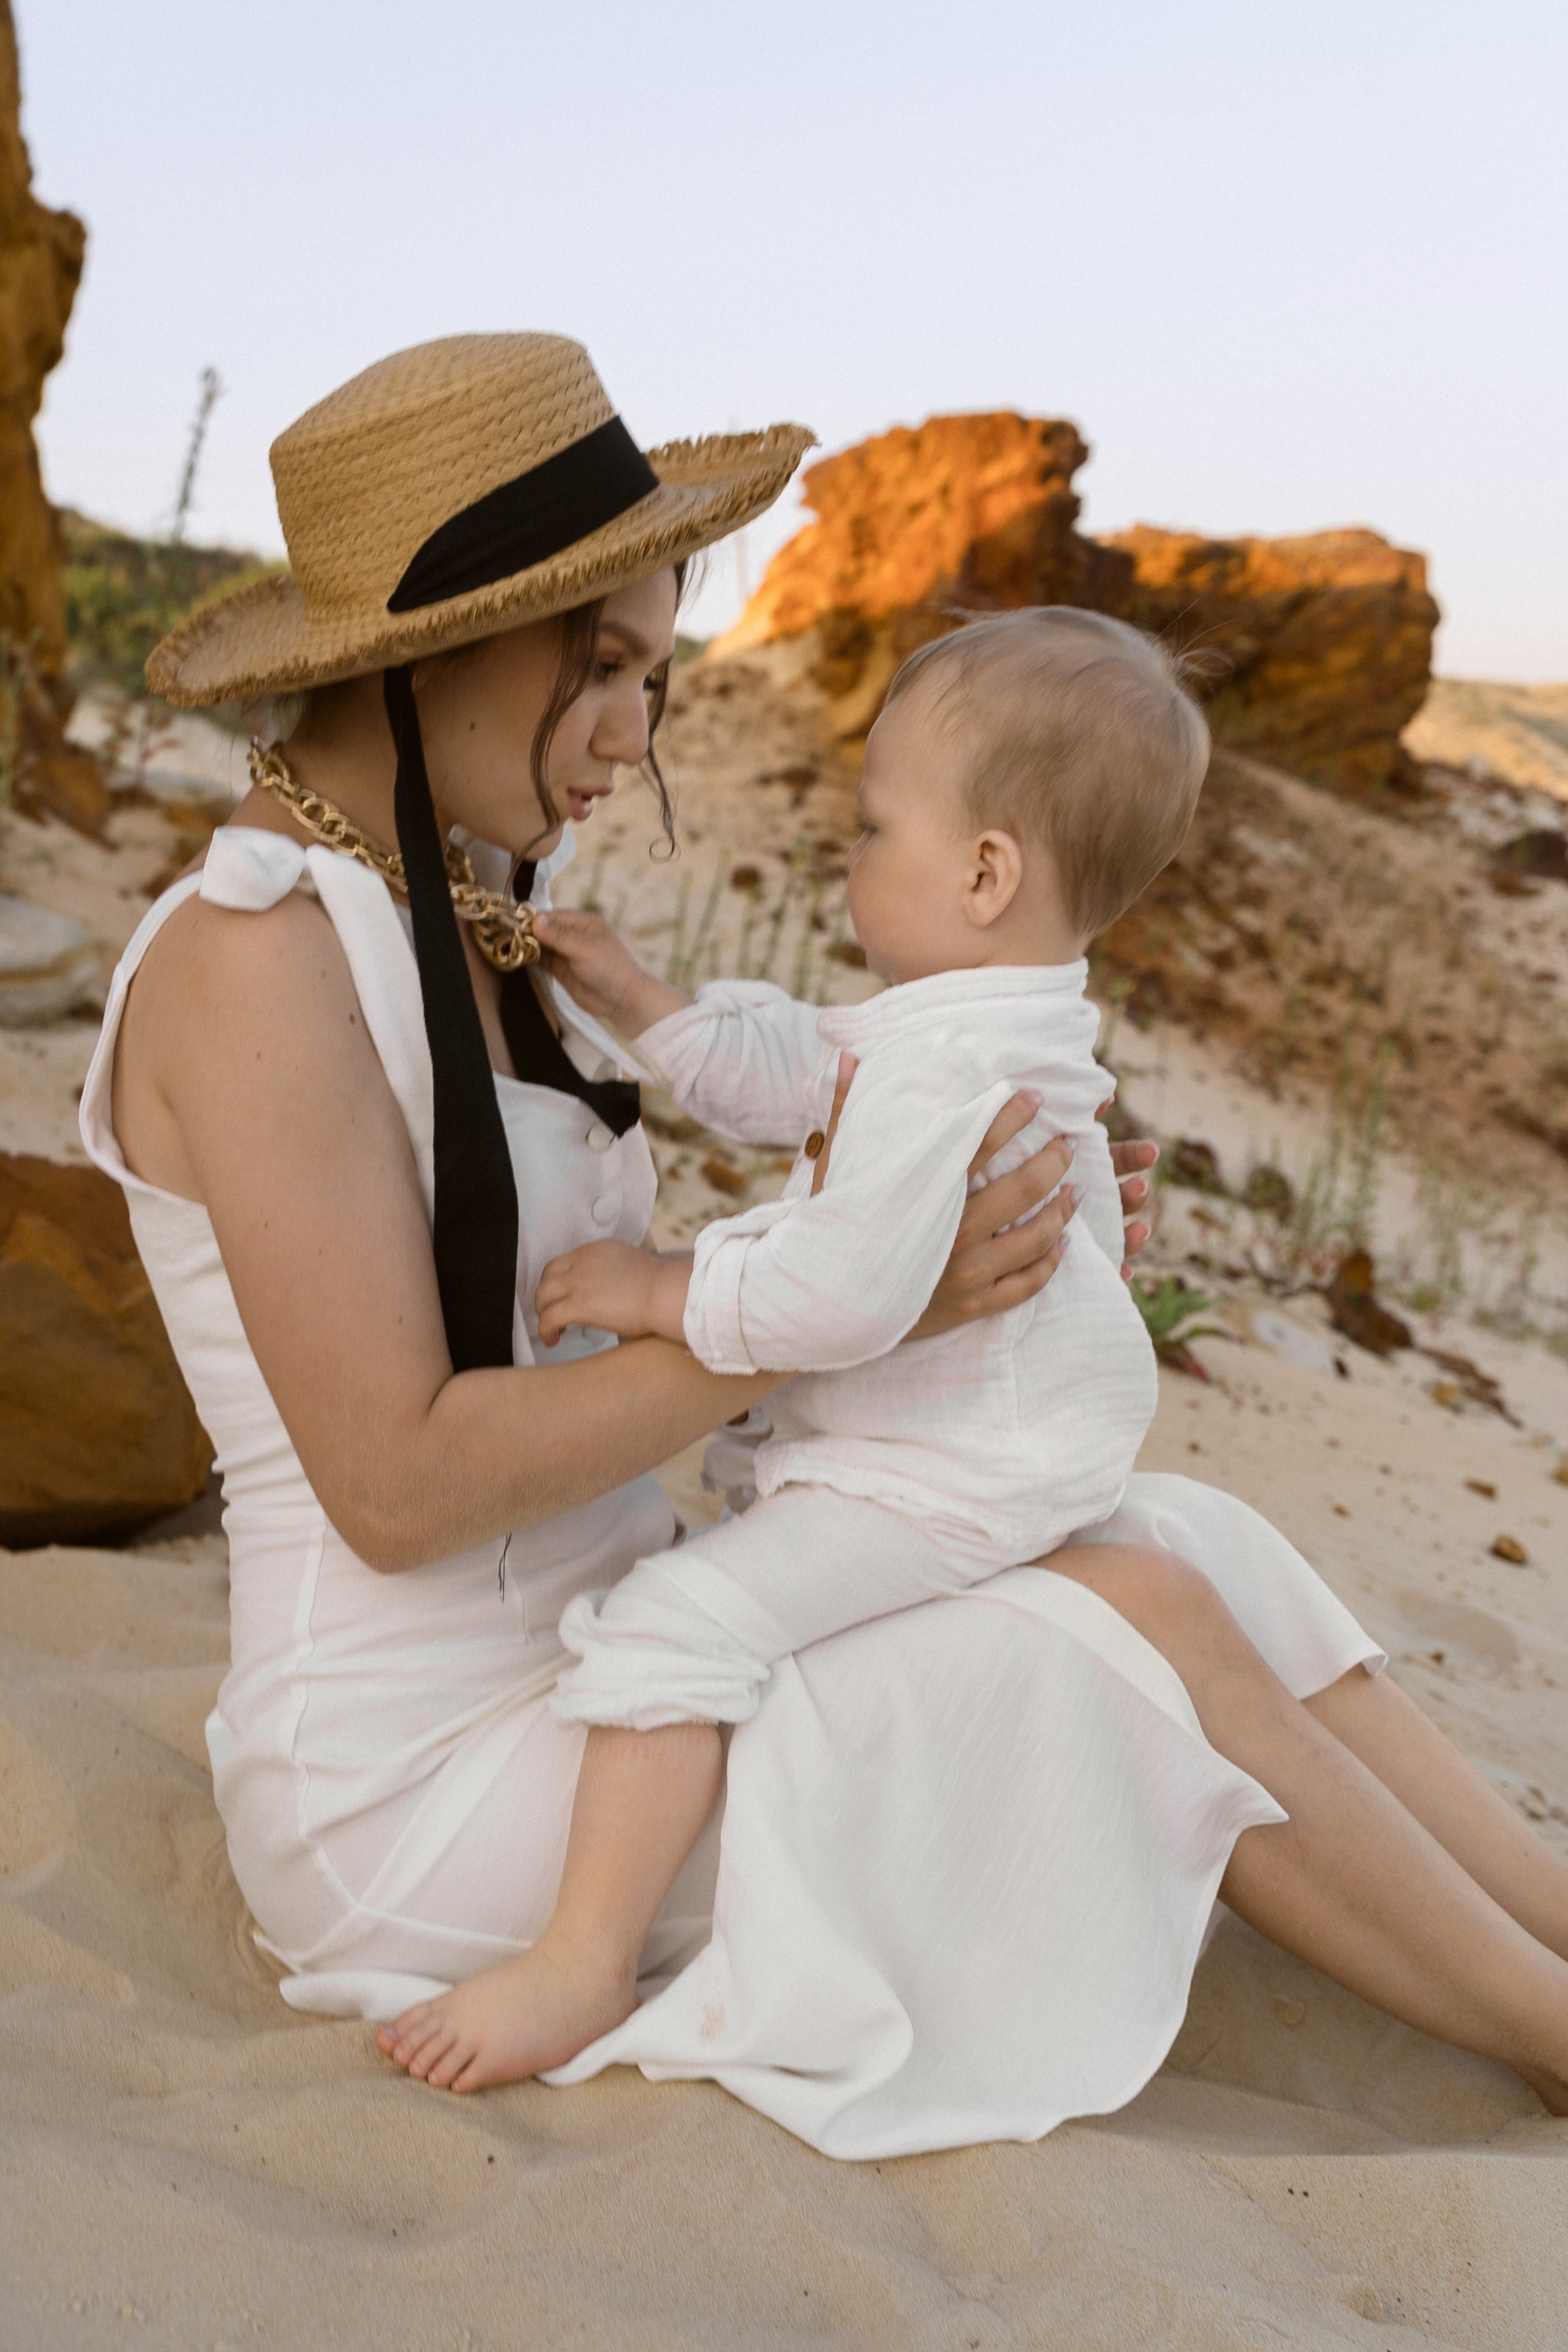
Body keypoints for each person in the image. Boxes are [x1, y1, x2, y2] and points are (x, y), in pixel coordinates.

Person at [79, 333, 1568, 2158]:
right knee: (1138, 1615)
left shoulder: (470, 900)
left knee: (1185, 1535)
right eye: (606, 665)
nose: (637, 732)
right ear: (439, 646)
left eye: (653, 664)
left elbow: (601, 1300)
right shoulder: (258, 959)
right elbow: (396, 1488)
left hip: (626, 1660)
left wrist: (973, 1206)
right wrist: (860, 1305)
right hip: (429, 1789)